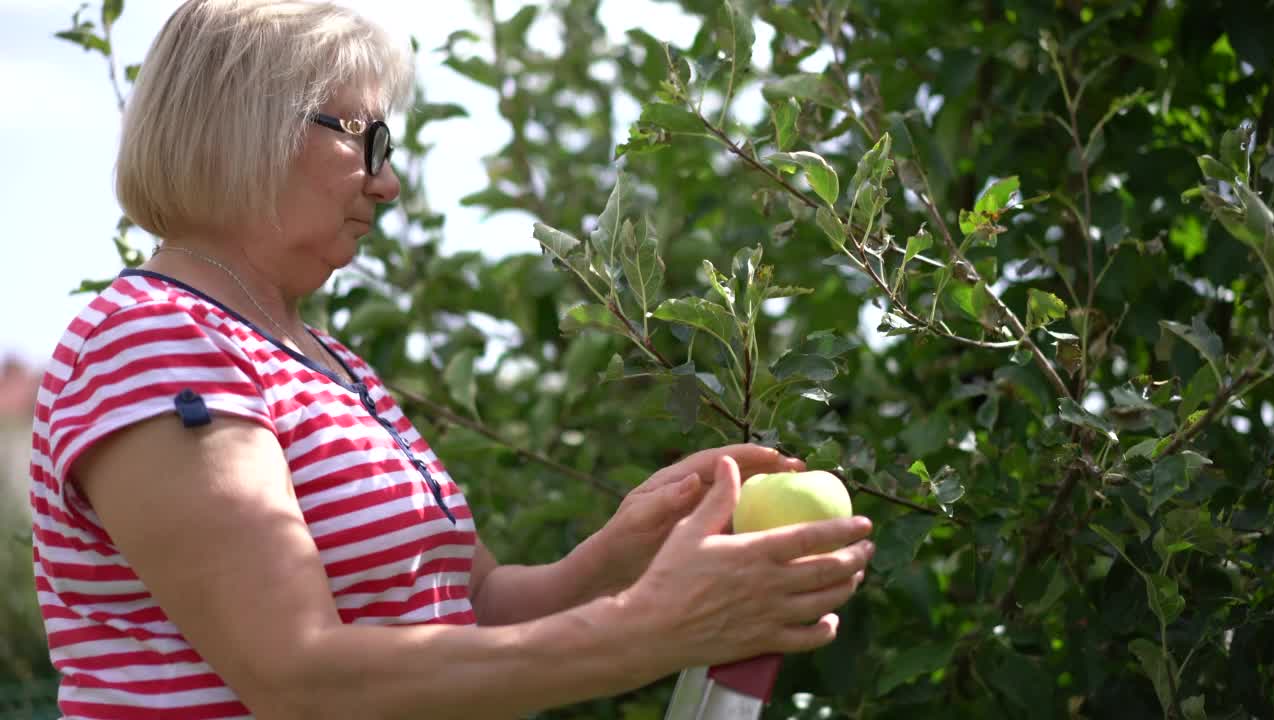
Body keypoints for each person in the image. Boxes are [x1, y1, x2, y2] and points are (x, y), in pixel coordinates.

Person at [27, 1, 876, 717]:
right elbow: (298, 677)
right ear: (251, 124)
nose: (386, 182)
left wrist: (616, 556)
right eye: (367, 140)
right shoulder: (156, 340)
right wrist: (651, 631)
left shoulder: (327, 364)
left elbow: (465, 612)